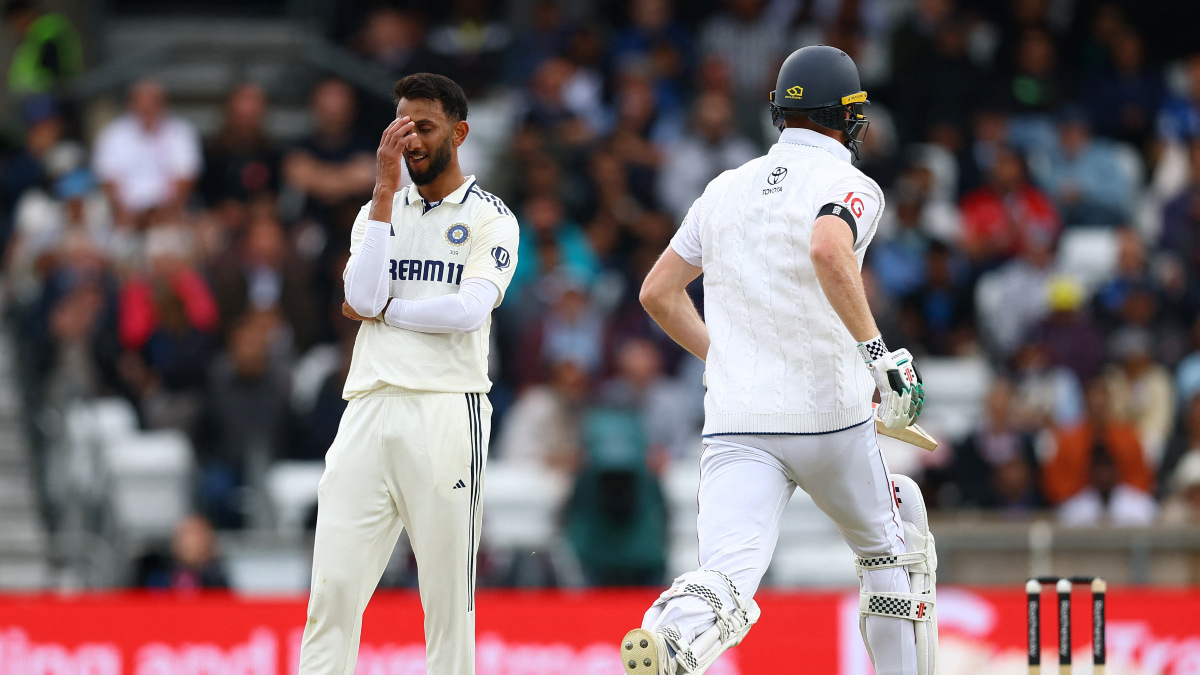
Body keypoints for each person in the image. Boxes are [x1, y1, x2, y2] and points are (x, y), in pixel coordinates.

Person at [619, 46, 935, 675]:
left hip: (738, 421)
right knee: (893, 558)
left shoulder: (723, 188)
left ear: (779, 114)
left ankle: (671, 637)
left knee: (726, 580)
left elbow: (657, 292)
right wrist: (879, 356)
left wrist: (727, 357)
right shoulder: (853, 185)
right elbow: (827, 245)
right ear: (850, 119)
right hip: (830, 419)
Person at [298, 73, 519, 675]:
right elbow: (359, 291)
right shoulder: (380, 210)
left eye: (424, 126)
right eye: (401, 127)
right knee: (332, 592)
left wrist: (390, 310)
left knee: (447, 604)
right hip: (368, 403)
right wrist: (383, 189)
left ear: (459, 132)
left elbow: (468, 309)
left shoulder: (491, 218)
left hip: (447, 408)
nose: (410, 139)